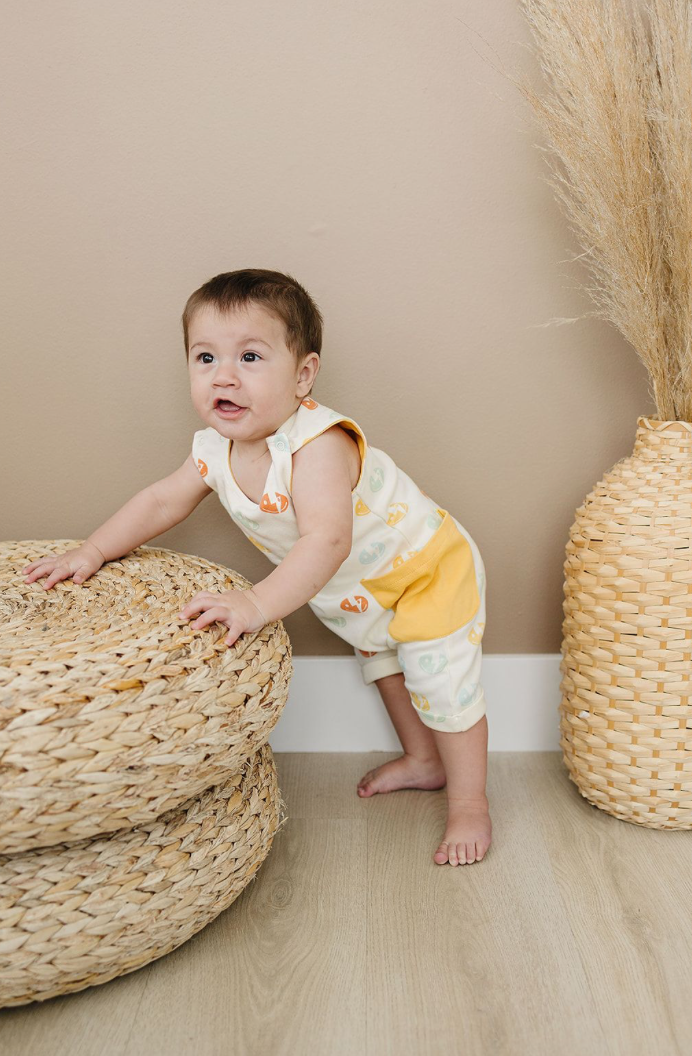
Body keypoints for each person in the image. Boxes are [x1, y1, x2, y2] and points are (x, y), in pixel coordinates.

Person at [22, 268, 491, 868]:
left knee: (440, 684)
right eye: (205, 357)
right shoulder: (213, 450)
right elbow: (160, 501)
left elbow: (326, 542)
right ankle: (425, 762)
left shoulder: (317, 445)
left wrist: (256, 604)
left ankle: (470, 802)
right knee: (387, 666)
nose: (224, 375)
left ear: (303, 375)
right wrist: (92, 550)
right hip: (364, 597)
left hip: (428, 574)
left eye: (249, 356)